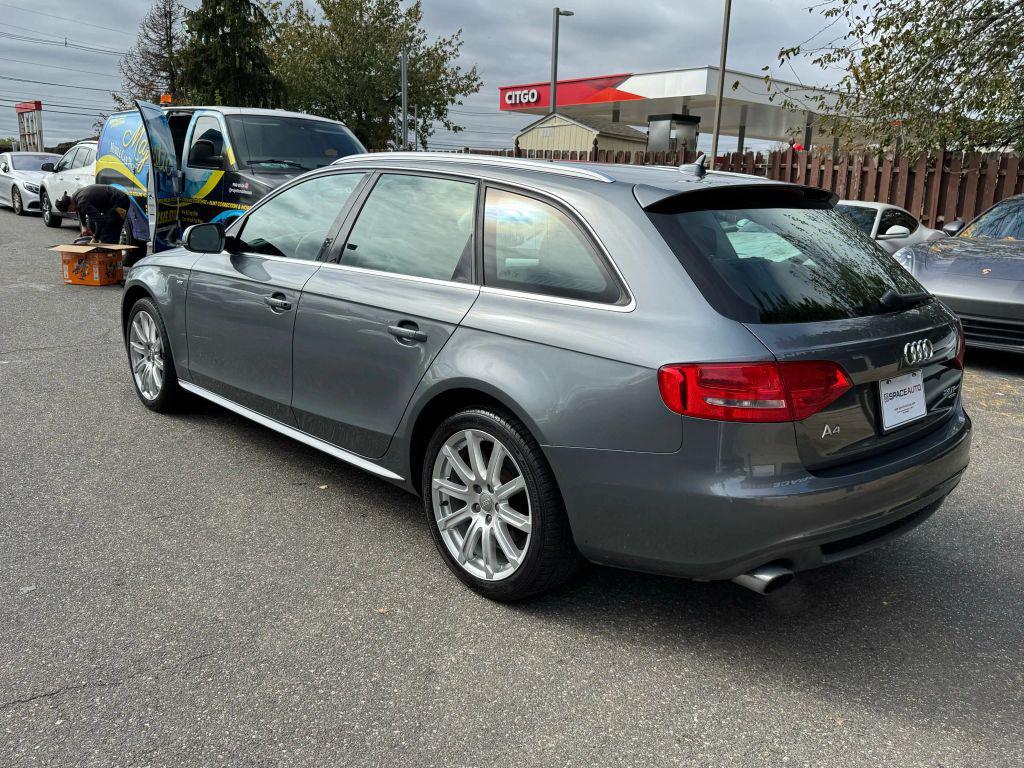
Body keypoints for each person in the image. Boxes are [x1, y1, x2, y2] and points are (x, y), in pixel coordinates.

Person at [55, 185, 131, 244]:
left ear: (70, 204)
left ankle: (109, 259)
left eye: (69, 210)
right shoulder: (76, 196)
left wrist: (95, 238)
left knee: (109, 229)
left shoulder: (82, 203)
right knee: (101, 228)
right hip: (113, 202)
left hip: (120, 202)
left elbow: (100, 221)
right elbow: (80, 211)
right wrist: (84, 226)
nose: (71, 211)